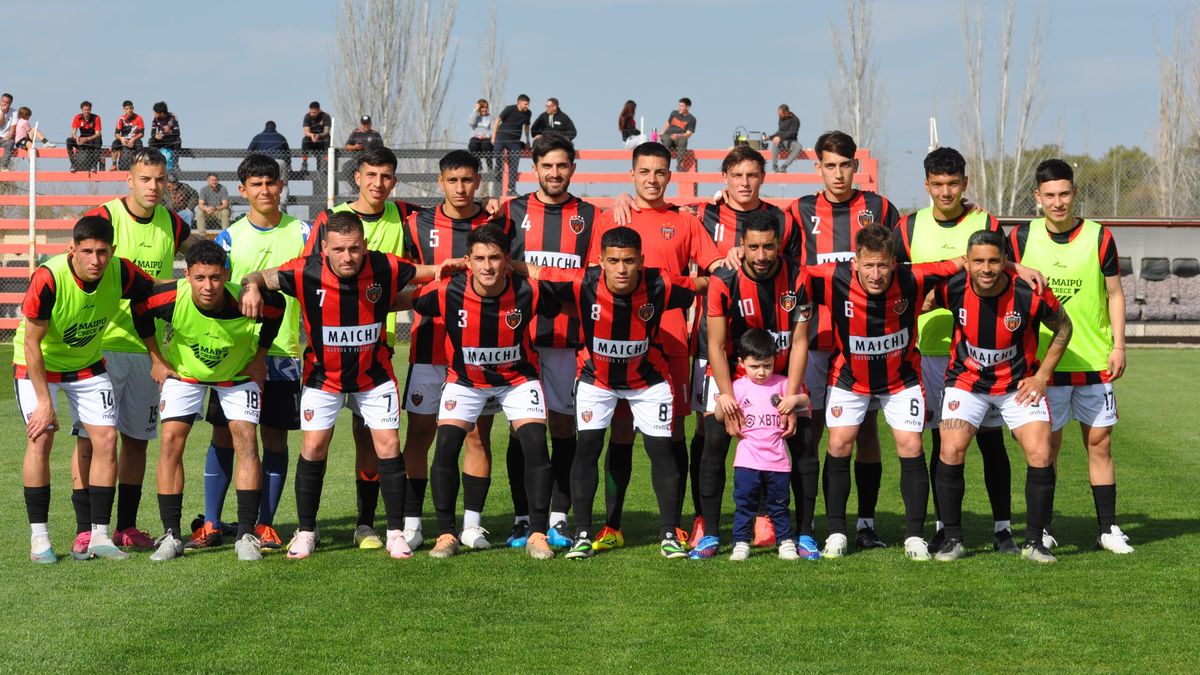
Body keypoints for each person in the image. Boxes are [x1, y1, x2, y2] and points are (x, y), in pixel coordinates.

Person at [238, 211, 450, 560]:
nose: (348, 256)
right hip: (324, 377)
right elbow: (258, 276)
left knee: (388, 444)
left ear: (364, 246)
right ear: (324, 248)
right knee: (314, 447)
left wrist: (453, 268)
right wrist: (251, 288)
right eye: (339, 249)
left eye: (354, 248)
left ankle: (395, 532)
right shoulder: (304, 270)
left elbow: (429, 272)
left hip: (374, 375)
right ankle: (307, 531)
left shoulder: (384, 266)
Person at [521, 226, 706, 559]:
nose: (622, 269)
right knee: (587, 447)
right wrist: (507, 265)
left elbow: (700, 285)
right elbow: (537, 273)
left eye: (629, 261)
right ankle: (581, 534)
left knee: (661, 450)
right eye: (614, 261)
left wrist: (729, 271)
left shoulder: (659, 284)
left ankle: (668, 533)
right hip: (598, 380)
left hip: (648, 381)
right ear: (600, 261)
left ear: (641, 261)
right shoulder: (582, 283)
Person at [792, 224, 963, 561]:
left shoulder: (913, 278)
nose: (875, 273)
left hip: (901, 379)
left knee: (911, 445)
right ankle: (837, 532)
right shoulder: (832, 277)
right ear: (855, 262)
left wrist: (1018, 267)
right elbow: (790, 271)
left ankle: (914, 535)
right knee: (839, 444)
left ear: (894, 264)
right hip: (849, 379)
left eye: (882, 265)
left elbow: (966, 261)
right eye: (868, 265)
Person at [587, 141, 726, 552]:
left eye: (660, 172)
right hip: (616, 343)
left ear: (670, 176)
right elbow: (593, 277)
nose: (651, 179)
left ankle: (676, 523)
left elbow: (714, 269)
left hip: (670, 342)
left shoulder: (685, 222)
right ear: (631, 174)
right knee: (621, 431)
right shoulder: (611, 218)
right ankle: (612, 524)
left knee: (672, 433)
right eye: (644, 172)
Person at [398, 225, 560, 559]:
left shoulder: (529, 290)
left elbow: (568, 304)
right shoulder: (446, 291)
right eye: (480, 258)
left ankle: (539, 532)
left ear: (508, 261)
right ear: (468, 261)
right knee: (445, 447)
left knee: (534, 444)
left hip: (517, 380)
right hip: (466, 382)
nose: (487, 266)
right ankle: (446, 534)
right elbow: (401, 300)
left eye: (495, 258)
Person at [894, 147, 1018, 555]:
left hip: (984, 353)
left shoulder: (986, 222)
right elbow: (892, 283)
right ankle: (945, 526)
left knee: (990, 441)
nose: (945, 192)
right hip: (928, 352)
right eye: (938, 184)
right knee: (941, 442)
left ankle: (1003, 527)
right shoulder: (908, 227)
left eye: (953, 184)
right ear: (926, 185)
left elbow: (1008, 272)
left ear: (965, 183)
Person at [1008, 158, 1134, 555]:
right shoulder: (1022, 237)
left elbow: (1114, 293)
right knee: (1048, 447)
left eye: (1064, 194)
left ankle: (1108, 529)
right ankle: (1043, 528)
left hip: (1095, 361)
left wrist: (1118, 345)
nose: (1058, 202)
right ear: (1037, 197)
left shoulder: (1099, 237)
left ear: (1074, 193)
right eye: (1050, 195)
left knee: (1100, 443)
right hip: (1043, 365)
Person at [71, 148, 192, 559]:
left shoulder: (173, 223)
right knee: (90, 440)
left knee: (137, 440)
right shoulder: (105, 218)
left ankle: (125, 526)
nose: (154, 187)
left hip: (149, 350)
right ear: (130, 180)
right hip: (101, 346)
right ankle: (85, 529)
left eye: (160, 179)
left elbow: (202, 258)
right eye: (146, 179)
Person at [132, 241, 285, 562]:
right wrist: (156, 358)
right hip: (184, 373)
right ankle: (172, 535)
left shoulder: (246, 299)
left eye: (215, 277)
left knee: (246, 440)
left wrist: (260, 357)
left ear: (226, 274)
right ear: (186, 274)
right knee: (171, 440)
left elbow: (278, 309)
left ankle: (245, 535)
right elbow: (139, 307)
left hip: (236, 376)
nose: (208, 286)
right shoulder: (170, 297)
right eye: (199, 278)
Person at [15, 216, 156, 563]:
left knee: (106, 439)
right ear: (72, 250)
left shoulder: (122, 273)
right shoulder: (48, 277)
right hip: (38, 366)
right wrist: (45, 403)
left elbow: (155, 293)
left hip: (87, 366)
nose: (96, 260)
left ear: (113, 251)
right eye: (88, 251)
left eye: (103, 252)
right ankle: (39, 540)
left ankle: (100, 536)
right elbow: (32, 344)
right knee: (41, 436)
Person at [786, 130, 900, 550]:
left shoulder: (879, 207)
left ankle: (865, 523)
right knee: (812, 431)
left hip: (867, 341)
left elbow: (896, 267)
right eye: (829, 166)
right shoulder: (799, 211)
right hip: (816, 340)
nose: (837, 173)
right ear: (818, 167)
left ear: (856, 166)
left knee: (866, 430)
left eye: (845, 165)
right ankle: (807, 522)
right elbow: (778, 261)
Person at [305, 145, 421, 549]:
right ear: (357, 177)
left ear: (394, 179)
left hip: (377, 343)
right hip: (330, 351)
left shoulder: (406, 216)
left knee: (370, 436)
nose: (378, 183)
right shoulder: (330, 220)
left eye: (386, 176)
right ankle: (310, 527)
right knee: (318, 440)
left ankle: (366, 523)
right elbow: (311, 277)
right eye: (371, 175)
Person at [930, 229, 1071, 563]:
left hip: (1017, 386)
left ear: (1006, 261)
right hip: (967, 382)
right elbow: (914, 302)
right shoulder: (952, 287)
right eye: (978, 261)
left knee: (1041, 452)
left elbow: (1064, 328)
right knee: (950, 448)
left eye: (994, 260)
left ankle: (1034, 543)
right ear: (967, 262)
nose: (986, 268)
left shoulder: (1029, 292)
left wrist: (1041, 376)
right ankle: (952, 539)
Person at [688, 146, 804, 549]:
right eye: (736, 175)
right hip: (719, 353)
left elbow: (794, 276)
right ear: (724, 178)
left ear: (763, 177)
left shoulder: (784, 222)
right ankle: (705, 522)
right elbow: (661, 207)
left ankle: (770, 521)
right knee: (712, 434)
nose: (744, 183)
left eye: (752, 175)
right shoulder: (702, 213)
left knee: (780, 436)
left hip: (773, 359)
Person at [493, 134, 598, 549]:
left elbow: (592, 277)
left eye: (562, 165)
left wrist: (533, 270)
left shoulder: (590, 215)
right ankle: (522, 518)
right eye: (547, 166)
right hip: (520, 339)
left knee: (562, 427)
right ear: (534, 167)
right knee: (523, 433)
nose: (555, 173)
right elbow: (492, 258)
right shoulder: (510, 212)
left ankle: (558, 516)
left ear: (573, 166)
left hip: (567, 341)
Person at [400, 150, 507, 550]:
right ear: (440, 183)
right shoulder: (417, 223)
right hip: (430, 346)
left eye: (467, 180)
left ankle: (472, 525)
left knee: (478, 437)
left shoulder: (496, 221)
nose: (461, 188)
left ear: (478, 181)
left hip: (482, 351)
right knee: (421, 436)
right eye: (452, 180)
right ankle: (413, 523)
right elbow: (406, 279)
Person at [203, 154, 309, 551]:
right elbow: (211, 294)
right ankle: (212, 523)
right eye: (256, 184)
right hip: (237, 356)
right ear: (242, 190)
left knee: (275, 439)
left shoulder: (303, 232)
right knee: (224, 436)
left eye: (271, 182)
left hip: (284, 353)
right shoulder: (228, 238)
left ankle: (264, 524)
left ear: (281, 186)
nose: (264, 190)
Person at [717, 329, 806, 561]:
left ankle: (785, 542)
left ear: (775, 361)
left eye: (767, 365)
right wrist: (722, 399)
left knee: (779, 505)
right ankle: (740, 543)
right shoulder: (737, 387)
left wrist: (795, 399)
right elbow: (719, 414)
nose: (761, 372)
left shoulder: (783, 384)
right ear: (741, 362)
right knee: (745, 504)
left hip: (778, 461)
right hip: (747, 461)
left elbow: (807, 400)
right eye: (754, 366)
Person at [492, 94, 531, 195]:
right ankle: (498, 169)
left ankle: (511, 189)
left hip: (514, 140)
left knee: (514, 163)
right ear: (519, 102)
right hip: (502, 136)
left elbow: (526, 127)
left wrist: (527, 140)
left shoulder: (528, 113)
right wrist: (493, 136)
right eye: (525, 104)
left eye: (528, 104)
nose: (527, 106)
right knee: (497, 152)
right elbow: (497, 120)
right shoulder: (509, 109)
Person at [341, 115, 384, 193]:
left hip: (371, 161)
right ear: (361, 124)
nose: (366, 126)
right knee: (346, 167)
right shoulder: (355, 133)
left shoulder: (375, 135)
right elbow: (347, 146)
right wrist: (355, 147)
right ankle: (357, 189)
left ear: (370, 124)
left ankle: (371, 189)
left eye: (367, 124)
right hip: (357, 160)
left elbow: (382, 149)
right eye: (364, 124)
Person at [67, 101, 103, 173]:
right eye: (85, 110)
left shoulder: (96, 117)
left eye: (88, 110)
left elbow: (98, 133)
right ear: (82, 110)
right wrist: (77, 138)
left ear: (90, 110)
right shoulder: (78, 117)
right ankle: (73, 164)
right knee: (69, 140)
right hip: (82, 139)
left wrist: (86, 139)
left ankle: (94, 165)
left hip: (92, 139)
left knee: (98, 139)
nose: (86, 111)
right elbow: (73, 133)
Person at [660, 98, 696, 169]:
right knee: (667, 140)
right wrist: (662, 132)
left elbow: (688, 134)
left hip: (679, 138)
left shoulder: (692, 119)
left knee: (683, 141)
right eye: (679, 105)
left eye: (682, 106)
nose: (679, 108)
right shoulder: (674, 113)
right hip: (668, 135)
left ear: (687, 107)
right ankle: (663, 164)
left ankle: (680, 165)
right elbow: (668, 123)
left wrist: (678, 135)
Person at [111, 101, 144, 171]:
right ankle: (114, 164)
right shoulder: (121, 119)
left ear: (133, 108)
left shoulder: (139, 118)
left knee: (140, 144)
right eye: (127, 109)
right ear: (124, 109)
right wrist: (121, 139)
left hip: (134, 139)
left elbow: (142, 133)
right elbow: (116, 134)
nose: (129, 110)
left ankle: (139, 164)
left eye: (130, 108)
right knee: (115, 144)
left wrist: (133, 139)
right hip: (124, 139)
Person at [149, 102, 181, 170]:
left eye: (155, 112)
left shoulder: (173, 116)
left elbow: (177, 133)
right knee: (151, 141)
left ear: (162, 113)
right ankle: (153, 161)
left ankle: (175, 164)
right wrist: (156, 136)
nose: (154, 114)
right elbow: (152, 134)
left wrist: (170, 131)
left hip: (171, 140)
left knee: (178, 140)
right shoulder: (155, 119)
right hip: (160, 140)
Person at [301, 101, 331, 173]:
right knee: (305, 140)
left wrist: (319, 135)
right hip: (312, 140)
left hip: (322, 140)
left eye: (314, 112)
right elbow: (306, 132)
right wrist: (311, 135)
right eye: (310, 112)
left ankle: (326, 163)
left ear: (319, 110)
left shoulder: (326, 116)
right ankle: (304, 163)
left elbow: (326, 131)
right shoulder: (307, 116)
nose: (312, 114)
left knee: (327, 139)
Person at [467, 99, 495, 177]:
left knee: (486, 146)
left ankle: (489, 166)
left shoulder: (491, 117)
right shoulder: (476, 116)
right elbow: (470, 122)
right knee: (473, 145)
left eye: (486, 108)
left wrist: (487, 135)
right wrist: (475, 110)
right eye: (482, 108)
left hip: (486, 137)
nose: (484, 109)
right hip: (476, 136)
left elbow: (493, 128)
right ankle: (478, 165)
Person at [770, 104, 800, 173]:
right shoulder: (781, 119)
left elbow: (792, 133)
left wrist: (780, 138)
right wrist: (770, 137)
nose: (779, 116)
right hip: (782, 142)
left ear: (786, 113)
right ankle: (775, 165)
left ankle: (784, 166)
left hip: (791, 142)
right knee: (775, 141)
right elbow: (780, 131)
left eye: (780, 114)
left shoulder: (795, 120)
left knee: (799, 147)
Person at [0, 93, 16, 169]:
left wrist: (9, 137)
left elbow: (12, 129)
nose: (4, 104)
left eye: (7, 102)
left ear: (10, 103)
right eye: (3, 101)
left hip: (5, 138)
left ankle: (3, 166)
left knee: (10, 143)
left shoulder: (14, 112)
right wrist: (3, 113)